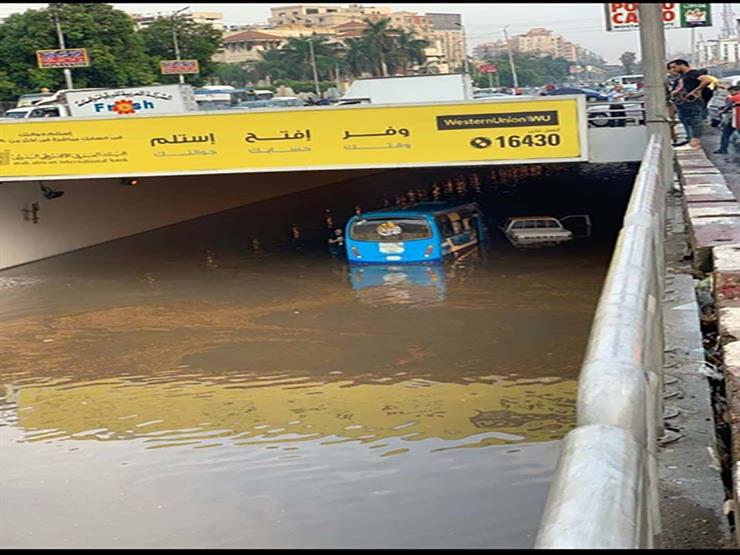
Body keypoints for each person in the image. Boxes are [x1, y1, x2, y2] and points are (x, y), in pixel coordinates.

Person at [667, 58, 714, 150]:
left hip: (691, 102)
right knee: (685, 120)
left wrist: (695, 91)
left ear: (682, 65)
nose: (673, 70)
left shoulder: (693, 73)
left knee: (694, 120)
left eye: (674, 67)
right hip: (682, 103)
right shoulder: (682, 76)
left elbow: (706, 80)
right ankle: (690, 140)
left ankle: (694, 142)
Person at [714, 85, 740, 155]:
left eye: (732, 91)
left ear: (737, 91)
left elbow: (726, 108)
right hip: (735, 119)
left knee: (726, 133)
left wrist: (721, 112)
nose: (731, 93)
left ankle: (723, 149)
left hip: (735, 119)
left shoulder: (733, 98)